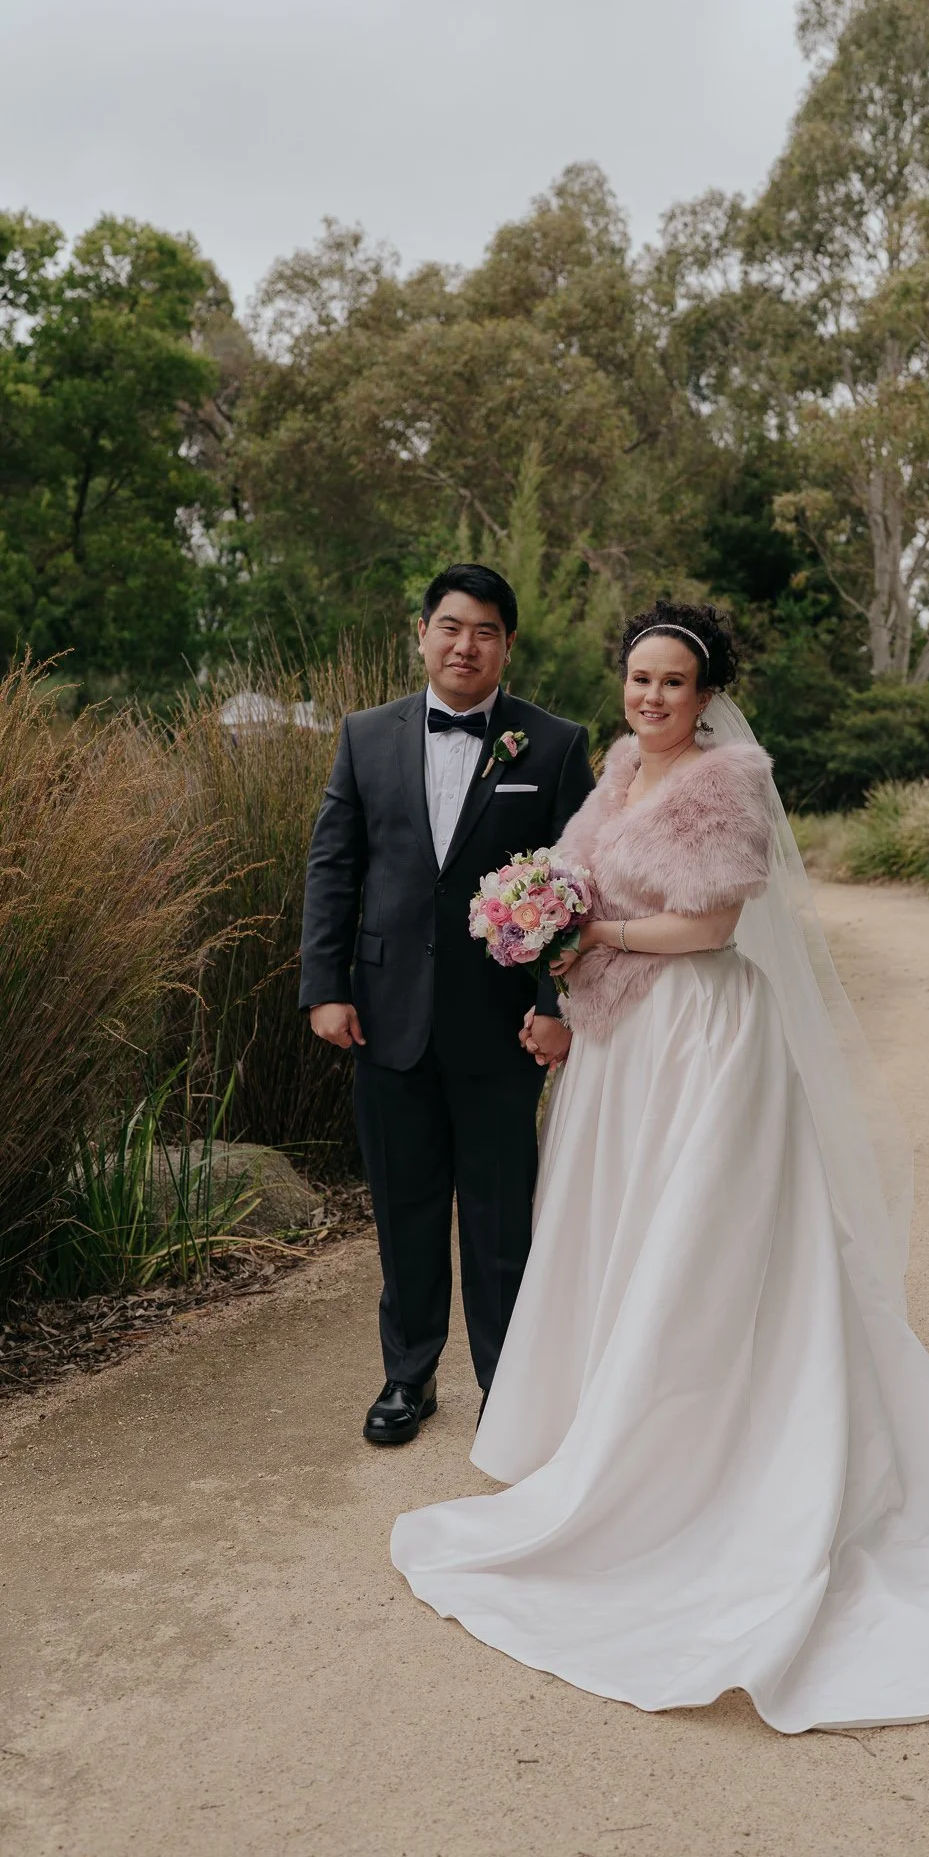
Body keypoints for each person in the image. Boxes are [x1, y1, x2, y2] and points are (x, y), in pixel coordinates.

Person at [389, 598, 929, 1732]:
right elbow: (578, 888)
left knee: (700, 1240)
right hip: (623, 1043)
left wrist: (593, 935)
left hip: (700, 1036)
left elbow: (708, 929)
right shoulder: (614, 771)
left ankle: (706, 1455)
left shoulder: (729, 782)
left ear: (706, 693)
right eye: (637, 678)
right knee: (624, 1226)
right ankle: (615, 1432)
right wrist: (553, 947)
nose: (651, 697)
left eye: (672, 682)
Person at [298, 564, 595, 1445]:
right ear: (422, 632)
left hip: (503, 1023)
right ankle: (407, 1377)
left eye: (487, 631)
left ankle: (509, 1386)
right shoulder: (364, 735)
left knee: (502, 1217)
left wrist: (556, 1003)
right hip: (383, 1017)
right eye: (452, 627)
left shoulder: (551, 744)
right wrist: (325, 986)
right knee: (404, 1208)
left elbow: (578, 887)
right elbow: (334, 867)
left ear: (508, 645)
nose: (466, 645)